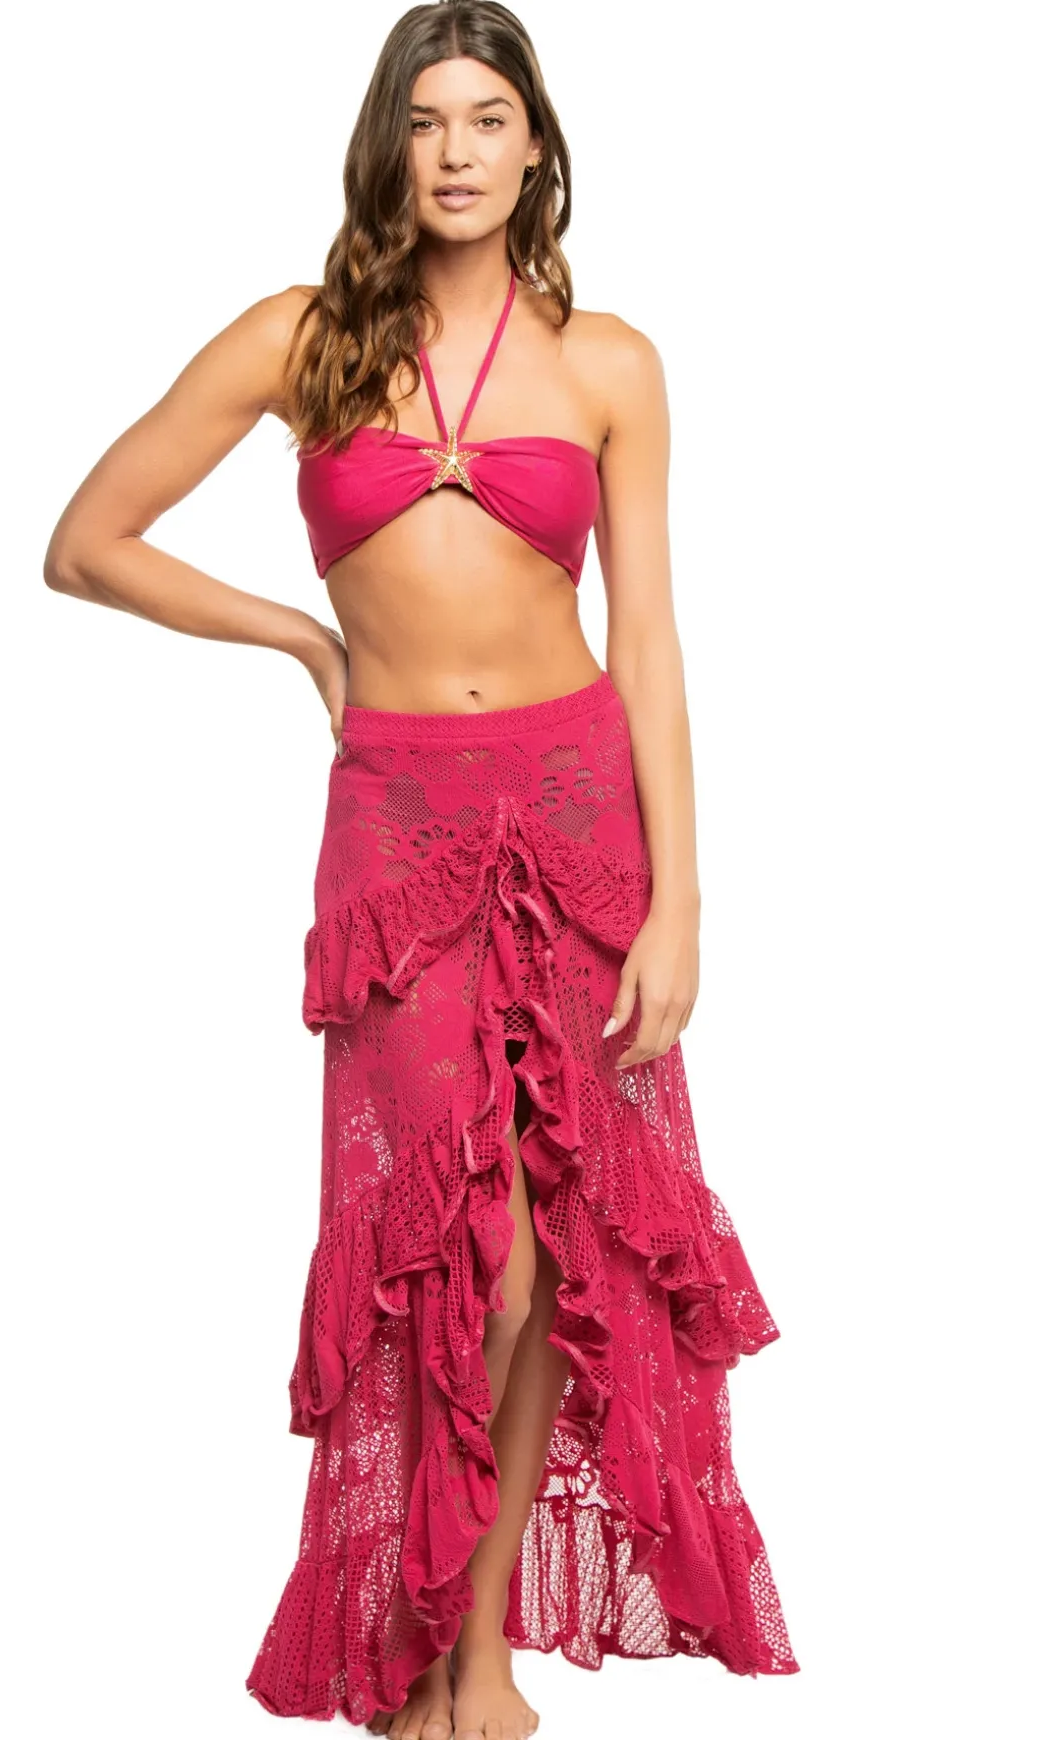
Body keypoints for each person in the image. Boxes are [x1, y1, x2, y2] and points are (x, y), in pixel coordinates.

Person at [44, 3, 799, 1735]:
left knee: (566, 1254)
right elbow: (86, 543)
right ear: (387, 143)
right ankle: (423, 1645)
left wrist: (683, 903)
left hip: (579, 817)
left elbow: (652, 643)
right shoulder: (300, 336)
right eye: (425, 120)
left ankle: (479, 1660)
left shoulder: (610, 364)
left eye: (487, 119)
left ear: (537, 149)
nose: (455, 151)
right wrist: (305, 642)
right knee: (465, 1251)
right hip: (398, 827)